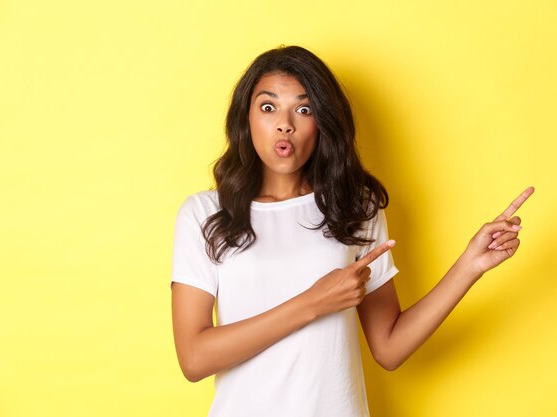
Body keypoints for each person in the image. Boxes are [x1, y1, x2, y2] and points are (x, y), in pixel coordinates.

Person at [170, 45, 534, 417]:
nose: (285, 123)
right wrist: (313, 303)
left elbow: (389, 348)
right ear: (245, 119)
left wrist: (469, 265)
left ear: (322, 122)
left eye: (304, 108)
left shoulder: (353, 207)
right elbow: (194, 359)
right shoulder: (204, 214)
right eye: (268, 107)